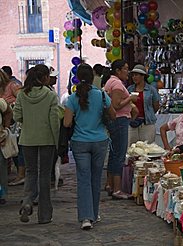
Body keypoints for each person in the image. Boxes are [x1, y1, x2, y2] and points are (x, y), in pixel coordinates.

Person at [64, 64, 115, 229]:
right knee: (96, 177)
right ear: (93, 77)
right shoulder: (101, 95)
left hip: (80, 141)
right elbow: (113, 114)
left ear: (77, 77)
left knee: (83, 179)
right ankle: (94, 213)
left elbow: (66, 122)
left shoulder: (72, 98)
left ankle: (86, 217)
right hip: (100, 140)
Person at [14, 65, 60, 224]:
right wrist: (57, 140)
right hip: (46, 138)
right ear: (45, 78)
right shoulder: (50, 95)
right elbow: (54, 120)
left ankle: (27, 201)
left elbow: (17, 115)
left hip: (27, 139)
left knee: (30, 172)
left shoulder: (21, 94)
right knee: (45, 175)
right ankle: (45, 214)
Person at [102, 60, 135, 199]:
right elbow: (115, 105)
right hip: (119, 120)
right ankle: (117, 188)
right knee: (119, 154)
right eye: (126, 69)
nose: (128, 72)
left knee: (114, 153)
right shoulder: (116, 84)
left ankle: (109, 184)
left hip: (116, 121)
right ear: (118, 70)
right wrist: (130, 99)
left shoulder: (110, 82)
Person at [127, 64, 160, 145]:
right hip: (132, 123)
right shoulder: (129, 89)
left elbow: (156, 106)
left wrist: (149, 113)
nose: (134, 77)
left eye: (136, 75)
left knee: (148, 147)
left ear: (143, 76)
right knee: (131, 147)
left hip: (147, 123)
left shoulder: (151, 90)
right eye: (133, 75)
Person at [0, 98, 13, 204]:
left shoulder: (1, 102)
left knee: (1, 167)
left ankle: (2, 194)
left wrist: (5, 128)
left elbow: (9, 112)